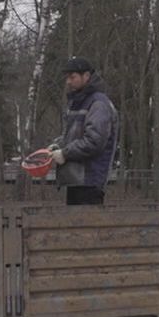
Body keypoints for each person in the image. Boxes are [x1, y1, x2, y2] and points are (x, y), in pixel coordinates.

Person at [50, 56, 118, 206]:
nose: (68, 82)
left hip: (90, 180)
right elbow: (72, 135)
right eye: (68, 77)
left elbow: (94, 141)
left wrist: (65, 153)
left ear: (86, 76)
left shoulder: (98, 104)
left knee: (86, 227)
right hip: (76, 180)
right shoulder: (77, 102)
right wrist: (57, 146)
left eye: (72, 77)